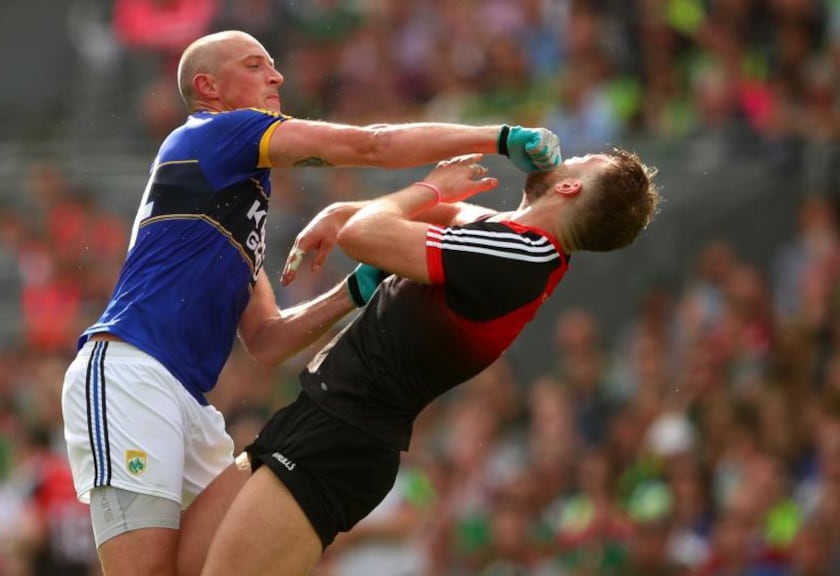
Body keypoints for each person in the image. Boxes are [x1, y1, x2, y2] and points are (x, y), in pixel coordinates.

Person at [59, 29, 563, 576]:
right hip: (131, 373)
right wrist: (502, 137)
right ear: (209, 87)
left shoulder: (233, 196)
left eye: (273, 66)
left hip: (189, 402)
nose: (276, 77)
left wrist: (356, 288)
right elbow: (372, 144)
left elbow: (268, 340)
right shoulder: (217, 131)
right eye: (255, 66)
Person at [199, 150, 661, 576]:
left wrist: (427, 188)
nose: (567, 156)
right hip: (321, 417)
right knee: (179, 563)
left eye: (580, 160)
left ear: (568, 188)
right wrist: (346, 209)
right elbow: (432, 214)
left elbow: (366, 235)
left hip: (340, 440)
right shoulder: (515, 239)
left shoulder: (519, 257)